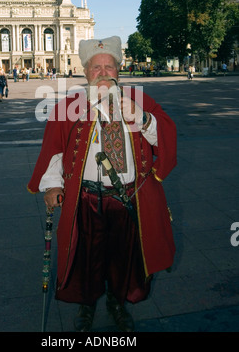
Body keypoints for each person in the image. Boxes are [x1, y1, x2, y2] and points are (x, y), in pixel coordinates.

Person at [27, 36, 177, 332]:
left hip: (128, 197)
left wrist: (144, 119)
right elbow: (56, 149)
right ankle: (87, 304)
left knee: (125, 256)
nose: (104, 72)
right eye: (96, 67)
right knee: (86, 257)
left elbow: (167, 138)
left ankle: (118, 303)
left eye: (110, 66)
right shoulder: (70, 105)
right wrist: (53, 185)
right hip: (85, 197)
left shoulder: (140, 100)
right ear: (85, 72)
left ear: (119, 70)